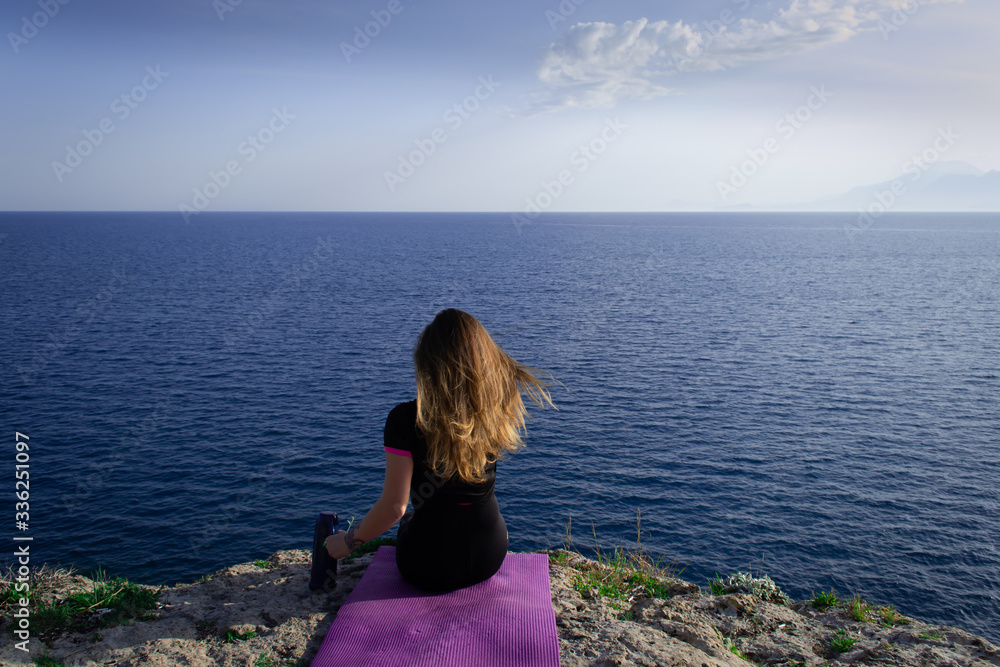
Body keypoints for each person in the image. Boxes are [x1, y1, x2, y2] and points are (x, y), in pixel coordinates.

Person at [324, 308, 555, 591]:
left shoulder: (405, 420)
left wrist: (347, 543)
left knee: (411, 518)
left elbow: (394, 508)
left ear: (427, 364)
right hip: (490, 555)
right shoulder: (496, 406)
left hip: (428, 566)